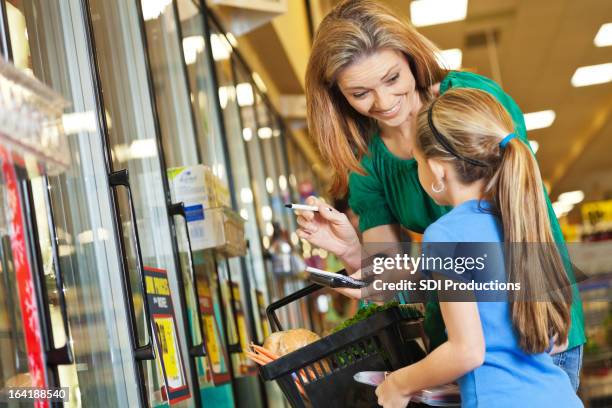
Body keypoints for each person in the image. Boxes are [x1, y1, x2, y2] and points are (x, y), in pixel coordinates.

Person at [297, 0, 585, 390]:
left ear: (410, 58)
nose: (383, 103)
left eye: (392, 78)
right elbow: (391, 283)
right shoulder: (365, 157)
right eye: (360, 93)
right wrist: (351, 253)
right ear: (337, 95)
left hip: (536, 325)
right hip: (453, 342)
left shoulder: (468, 100)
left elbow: (518, 218)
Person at [374, 87, 582, 408]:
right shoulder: (521, 220)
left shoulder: (445, 234)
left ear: (437, 169)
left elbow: (467, 350)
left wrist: (399, 384)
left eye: (417, 162)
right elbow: (557, 341)